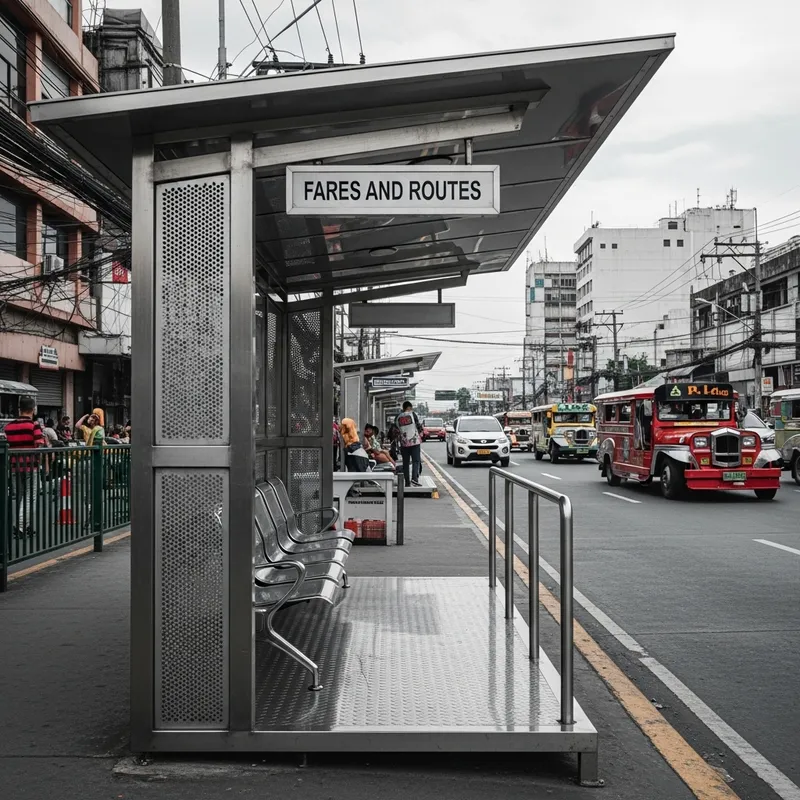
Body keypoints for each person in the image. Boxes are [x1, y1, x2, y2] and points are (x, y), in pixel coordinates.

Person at [5, 396, 45, 536]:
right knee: (30, 496)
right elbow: (40, 443)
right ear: (33, 410)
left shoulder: (9, 427)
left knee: (20, 496)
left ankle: (25, 526)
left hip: (14, 466)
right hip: (30, 466)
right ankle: (21, 526)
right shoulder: (34, 426)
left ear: (19, 409)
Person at [395, 400, 423, 487]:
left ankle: (407, 481)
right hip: (414, 442)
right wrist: (420, 431)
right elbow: (418, 426)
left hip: (404, 443)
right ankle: (414, 479)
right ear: (410, 408)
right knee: (416, 461)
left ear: (403, 408)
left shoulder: (398, 417)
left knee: (405, 462)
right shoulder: (413, 415)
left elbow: (396, 428)